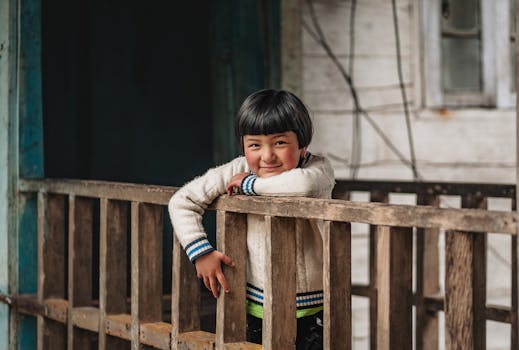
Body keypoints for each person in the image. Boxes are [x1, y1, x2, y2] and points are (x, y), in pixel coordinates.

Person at [168, 89, 335, 349]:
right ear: (244, 146)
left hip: (313, 308)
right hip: (254, 304)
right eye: (255, 145)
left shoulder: (317, 169)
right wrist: (201, 252)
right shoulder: (238, 168)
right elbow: (182, 201)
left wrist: (250, 185)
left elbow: (301, 185)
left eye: (280, 143)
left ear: (303, 145)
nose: (267, 156)